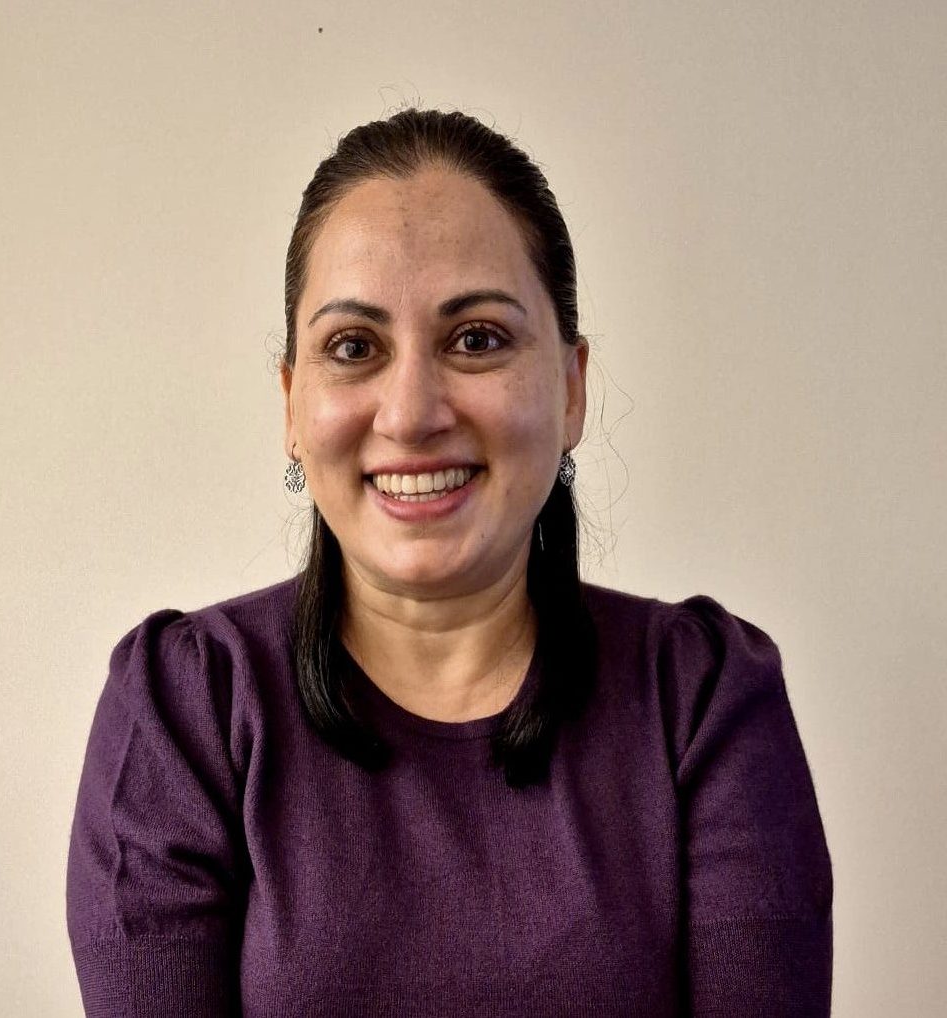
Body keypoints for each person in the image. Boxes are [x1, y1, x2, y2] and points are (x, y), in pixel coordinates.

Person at [66, 108, 833, 1016]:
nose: (411, 413)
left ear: (573, 387)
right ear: (292, 404)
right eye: (354, 348)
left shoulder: (702, 701)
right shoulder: (184, 710)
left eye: (476, 339)